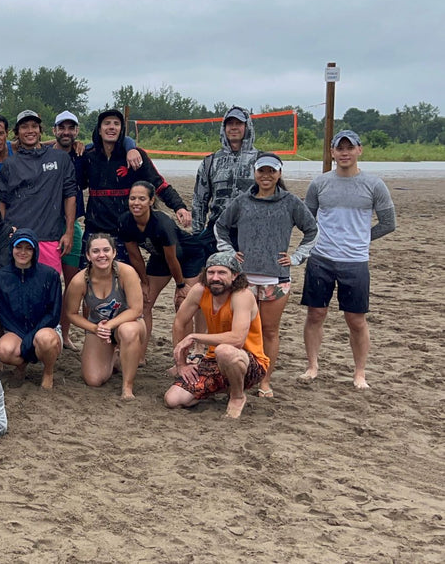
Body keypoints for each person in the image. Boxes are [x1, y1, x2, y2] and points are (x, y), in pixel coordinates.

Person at [215, 153, 316, 397]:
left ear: (279, 174)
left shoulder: (291, 202)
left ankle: (264, 380)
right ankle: (237, 376)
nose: (266, 176)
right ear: (255, 173)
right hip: (243, 279)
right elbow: (220, 226)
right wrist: (229, 253)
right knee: (240, 328)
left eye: (272, 171)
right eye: (262, 171)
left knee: (269, 330)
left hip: (276, 278)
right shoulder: (242, 201)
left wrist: (296, 257)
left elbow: (312, 230)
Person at [300, 130, 395, 389]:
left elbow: (389, 223)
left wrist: (362, 239)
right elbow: (308, 220)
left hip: (355, 261)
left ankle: (359, 373)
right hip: (321, 258)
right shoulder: (319, 184)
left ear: (359, 150)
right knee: (316, 313)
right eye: (339, 148)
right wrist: (314, 242)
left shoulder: (374, 185)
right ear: (331, 152)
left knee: (355, 319)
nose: (344, 152)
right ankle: (312, 366)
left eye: (349, 148)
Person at [51, 110, 141, 348]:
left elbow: (115, 141)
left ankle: (71, 334)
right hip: (47, 225)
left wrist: (130, 145)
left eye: (71, 128)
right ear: (54, 131)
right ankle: (66, 333)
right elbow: (25, 143)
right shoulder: (46, 154)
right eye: (62, 128)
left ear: (78, 131)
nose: (67, 132)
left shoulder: (84, 153)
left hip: (75, 225)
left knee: (78, 283)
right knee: (53, 283)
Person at [165, 252, 269, 418]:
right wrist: (181, 363)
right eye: (211, 272)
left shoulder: (242, 296)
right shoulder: (199, 290)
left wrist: (194, 337)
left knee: (225, 351)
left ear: (235, 275)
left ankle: (237, 396)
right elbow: (180, 321)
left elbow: (237, 339)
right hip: (214, 359)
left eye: (222, 273)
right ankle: (221, 386)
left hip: (249, 361)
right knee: (173, 400)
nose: (215, 278)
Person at [81, 109, 190, 261]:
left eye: (116, 124)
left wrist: (179, 206)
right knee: (88, 276)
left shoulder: (136, 156)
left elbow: (159, 184)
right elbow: (75, 184)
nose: (111, 127)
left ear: (122, 130)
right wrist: (74, 147)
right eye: (107, 123)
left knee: (125, 278)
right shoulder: (88, 156)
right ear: (99, 130)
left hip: (124, 228)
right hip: (94, 227)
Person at [120, 181, 206, 344]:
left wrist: (181, 285)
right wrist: (144, 282)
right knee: (144, 303)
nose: (136, 203)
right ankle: (140, 355)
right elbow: (135, 255)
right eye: (132, 198)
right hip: (160, 257)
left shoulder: (162, 223)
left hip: (189, 256)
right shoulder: (125, 220)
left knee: (182, 304)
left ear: (151, 201)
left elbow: (172, 259)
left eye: (142, 199)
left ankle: (185, 355)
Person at [64, 233, 147, 398]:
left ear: (114, 253)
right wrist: (95, 328)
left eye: (106, 250)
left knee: (127, 331)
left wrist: (110, 325)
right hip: (99, 328)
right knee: (93, 379)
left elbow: (136, 309)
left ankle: (127, 387)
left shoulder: (126, 273)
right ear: (88, 255)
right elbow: (71, 313)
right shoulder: (80, 281)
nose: (101, 255)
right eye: (95, 251)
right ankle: (115, 357)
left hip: (129, 324)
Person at [0, 110, 77, 275]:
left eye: (34, 126)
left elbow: (70, 196)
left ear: (41, 131)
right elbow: (2, 202)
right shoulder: (10, 164)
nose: (30, 131)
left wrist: (69, 232)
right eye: (24, 127)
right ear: (17, 132)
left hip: (49, 238)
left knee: (47, 290)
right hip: (18, 238)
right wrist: (3, 235)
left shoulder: (60, 158)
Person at [0, 230, 64, 389]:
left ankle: (48, 372)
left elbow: (54, 313)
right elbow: (3, 311)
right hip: (15, 329)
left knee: (46, 340)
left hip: (44, 328)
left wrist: (30, 337)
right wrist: (22, 336)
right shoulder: (0, 276)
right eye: (19, 247)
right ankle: (21, 365)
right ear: (12, 249)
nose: (23, 252)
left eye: (28, 248)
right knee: (3, 350)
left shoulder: (49, 275)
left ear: (35, 250)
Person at [192, 106, 261, 257]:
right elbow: (199, 201)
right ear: (224, 128)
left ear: (246, 126)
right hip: (217, 230)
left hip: (252, 232)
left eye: (239, 123)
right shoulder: (210, 162)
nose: (234, 127)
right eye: (230, 124)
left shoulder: (260, 161)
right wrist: (197, 233)